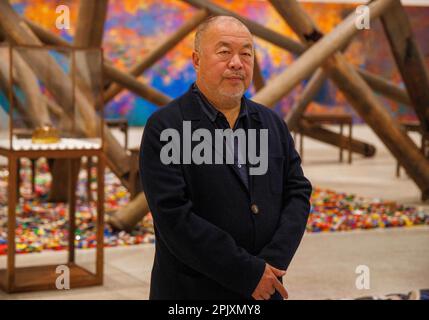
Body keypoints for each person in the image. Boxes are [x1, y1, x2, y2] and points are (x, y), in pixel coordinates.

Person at [140, 15, 312, 300]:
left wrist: (273, 262)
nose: (237, 63)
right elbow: (175, 218)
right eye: (224, 52)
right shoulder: (166, 127)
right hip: (192, 292)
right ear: (196, 60)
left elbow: (297, 191)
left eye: (246, 54)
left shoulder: (271, 124)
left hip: (267, 287)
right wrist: (248, 273)